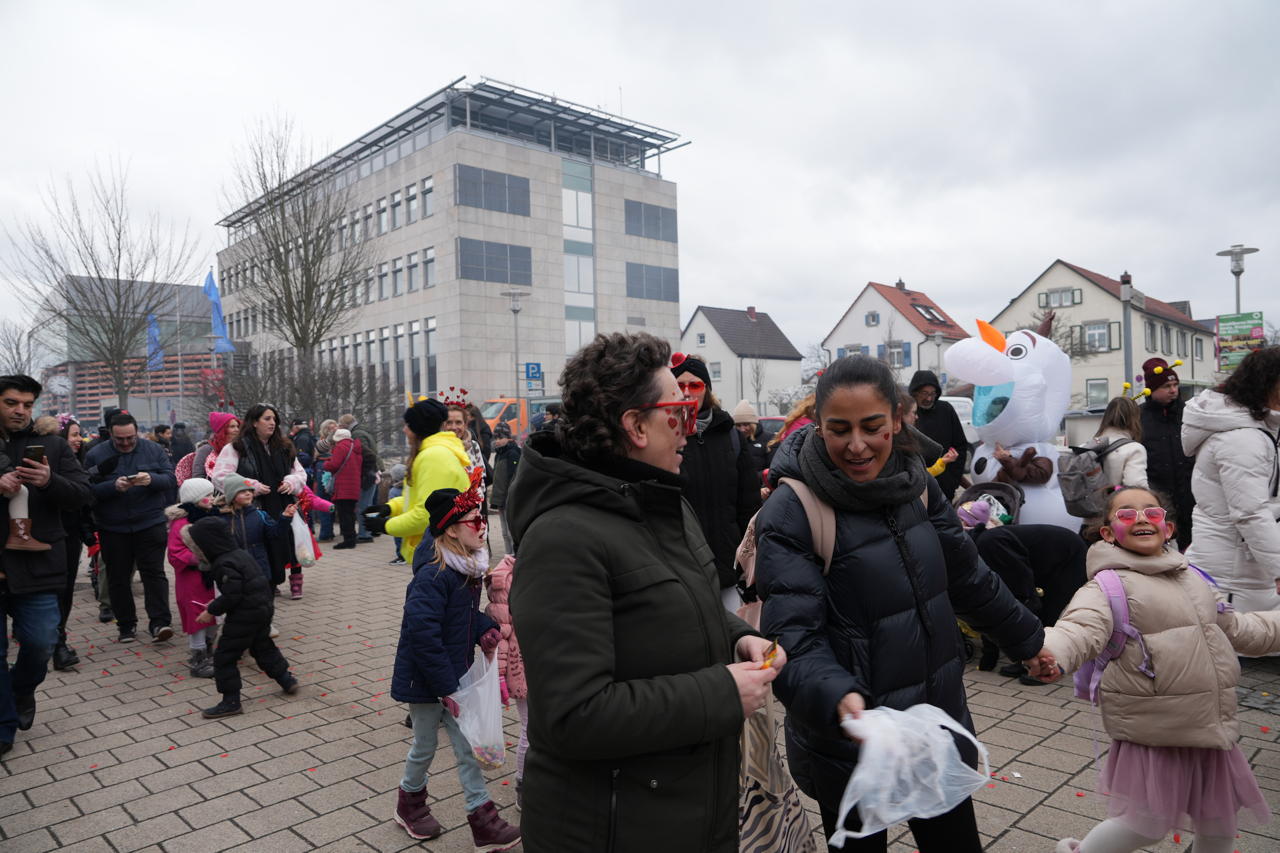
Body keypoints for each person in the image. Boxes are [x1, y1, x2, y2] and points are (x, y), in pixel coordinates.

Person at [754, 355, 1050, 851]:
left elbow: (967, 578)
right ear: (817, 426)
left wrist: (1028, 640)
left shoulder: (918, 486)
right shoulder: (792, 510)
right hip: (853, 739)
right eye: (838, 429)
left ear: (897, 418)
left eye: (872, 426)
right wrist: (837, 698)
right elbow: (791, 634)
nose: (857, 445)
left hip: (934, 724)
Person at [507, 331, 779, 853]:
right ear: (634, 425)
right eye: (678, 412)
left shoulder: (662, 503)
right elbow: (573, 714)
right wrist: (722, 693)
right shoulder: (563, 538)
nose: (690, 427)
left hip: (682, 811)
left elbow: (679, 605)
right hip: (609, 828)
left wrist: (737, 636)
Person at [1038, 487, 1280, 853]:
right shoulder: (1107, 587)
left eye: (1151, 513)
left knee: (1218, 827)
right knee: (1143, 826)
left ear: (1167, 528)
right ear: (1107, 533)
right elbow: (1079, 629)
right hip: (1155, 734)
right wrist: (1048, 652)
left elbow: (1238, 630)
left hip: (1209, 731)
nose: (1140, 519)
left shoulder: (1195, 579)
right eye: (1125, 514)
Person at [389, 482, 520, 849]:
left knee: (466, 747)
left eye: (482, 518)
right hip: (427, 681)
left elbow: (460, 617)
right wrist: (446, 687)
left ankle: (483, 820)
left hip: (453, 675)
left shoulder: (467, 569)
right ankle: (409, 803)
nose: (482, 525)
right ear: (450, 528)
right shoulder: (434, 575)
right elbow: (424, 635)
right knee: (424, 746)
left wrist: (485, 629)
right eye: (473, 519)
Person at [0, 375, 93, 759]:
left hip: (37, 563)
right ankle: (4, 726)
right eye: (10, 402)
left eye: (26, 404)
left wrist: (50, 480)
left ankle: (21, 690)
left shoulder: (53, 447)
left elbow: (83, 494)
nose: (20, 410)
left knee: (40, 643)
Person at [1181, 346, 1280, 614]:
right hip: (1235, 577)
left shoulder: (1258, 431)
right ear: (1269, 385)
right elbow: (1251, 512)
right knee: (1243, 651)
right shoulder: (1242, 439)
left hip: (1247, 573)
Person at [670, 353, 761, 610]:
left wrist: (750, 561)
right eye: (680, 385)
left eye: (695, 385)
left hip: (728, 570)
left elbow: (749, 506)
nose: (687, 392)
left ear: (707, 389)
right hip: (681, 571)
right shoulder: (663, 436)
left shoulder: (731, 437)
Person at [187, 517, 298, 719]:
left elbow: (233, 594)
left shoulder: (223, 563)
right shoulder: (239, 554)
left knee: (224, 656)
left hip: (245, 616)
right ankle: (286, 679)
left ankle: (231, 701)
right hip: (262, 608)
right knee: (262, 646)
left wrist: (211, 610)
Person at [84, 412, 177, 644]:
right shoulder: (96, 454)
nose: (125, 443)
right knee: (118, 577)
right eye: (120, 440)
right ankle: (126, 625)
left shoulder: (153, 450)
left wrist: (151, 480)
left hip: (150, 523)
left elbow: (170, 479)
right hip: (113, 527)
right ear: (111, 435)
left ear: (137, 432)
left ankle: (160, 622)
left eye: (130, 438)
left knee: (154, 574)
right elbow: (86, 490)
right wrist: (112, 487)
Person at [211, 404, 307, 598]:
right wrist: (250, 486)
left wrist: (291, 481)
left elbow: (300, 473)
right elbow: (220, 476)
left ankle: (282, 584)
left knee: (289, 545)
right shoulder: (236, 447)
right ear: (254, 422)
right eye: (267, 419)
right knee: (263, 551)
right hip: (254, 509)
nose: (272, 423)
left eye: (274, 419)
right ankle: (266, 588)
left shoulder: (284, 446)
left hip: (283, 506)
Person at [363, 399, 470, 564]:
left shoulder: (433, 457)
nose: (404, 430)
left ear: (419, 429)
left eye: (408, 425)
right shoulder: (431, 453)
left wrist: (386, 526)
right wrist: (390, 508)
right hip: (437, 550)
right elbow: (418, 496)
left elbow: (426, 515)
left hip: (439, 554)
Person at [484, 553, 527, 808]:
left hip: (547, 663)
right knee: (530, 730)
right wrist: (499, 675)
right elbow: (500, 634)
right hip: (520, 666)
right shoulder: (505, 581)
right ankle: (523, 785)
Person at [166, 478, 220, 678]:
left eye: (211, 495)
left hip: (212, 577)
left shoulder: (210, 516)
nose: (211, 499)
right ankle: (198, 659)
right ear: (194, 499)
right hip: (192, 580)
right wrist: (198, 560)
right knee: (197, 617)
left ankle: (210, 651)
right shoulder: (181, 524)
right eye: (206, 496)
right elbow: (175, 553)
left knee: (214, 614)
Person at [1139, 358, 1195, 551]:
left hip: (1191, 498)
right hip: (1158, 500)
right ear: (1151, 389)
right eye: (1166, 386)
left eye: (1175, 385)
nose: (1173, 390)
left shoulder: (1189, 413)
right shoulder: (1139, 417)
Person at [51, 414, 91, 671]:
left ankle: (59, 640)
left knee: (65, 589)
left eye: (79, 434)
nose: (79, 439)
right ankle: (53, 641)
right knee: (52, 590)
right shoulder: (48, 460)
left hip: (71, 534)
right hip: (48, 534)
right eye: (73, 434)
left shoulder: (81, 458)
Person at [907, 369, 968, 501]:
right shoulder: (908, 414)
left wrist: (953, 480)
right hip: (916, 489)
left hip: (945, 487)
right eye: (924, 393)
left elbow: (961, 445)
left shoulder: (946, 410)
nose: (929, 398)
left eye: (932, 394)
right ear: (914, 392)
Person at [1088, 396, 1148, 489]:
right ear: (1135, 419)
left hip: (1089, 503)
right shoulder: (1134, 449)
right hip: (1116, 502)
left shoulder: (1087, 446)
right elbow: (1136, 487)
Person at [338, 413, 380, 543]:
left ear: (345, 425)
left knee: (363, 506)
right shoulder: (365, 431)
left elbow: (364, 454)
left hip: (367, 474)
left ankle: (365, 534)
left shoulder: (357, 435)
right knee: (369, 504)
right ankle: (371, 530)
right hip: (373, 472)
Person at [323, 427, 363, 550]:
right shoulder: (356, 447)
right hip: (354, 485)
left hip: (343, 486)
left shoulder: (340, 447)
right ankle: (351, 538)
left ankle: (348, 540)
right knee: (350, 513)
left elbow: (334, 465)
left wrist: (325, 464)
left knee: (344, 513)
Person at [445, 403, 488, 503]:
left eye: (458, 422)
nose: (454, 427)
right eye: (449, 422)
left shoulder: (473, 446)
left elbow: (481, 478)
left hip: (473, 510)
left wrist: (475, 502)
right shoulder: (440, 449)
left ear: (465, 424)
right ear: (444, 425)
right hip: (448, 510)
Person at [488, 422, 520, 556]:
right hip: (501, 498)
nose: (497, 441)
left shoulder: (513, 453)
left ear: (508, 437)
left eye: (500, 438)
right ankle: (508, 555)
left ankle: (513, 556)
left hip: (509, 498)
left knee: (510, 531)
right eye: (495, 438)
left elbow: (514, 477)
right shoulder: (499, 454)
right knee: (503, 532)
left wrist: (509, 496)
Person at [313, 418, 338, 542]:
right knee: (330, 502)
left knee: (322, 501)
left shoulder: (323, 442)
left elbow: (318, 452)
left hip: (323, 469)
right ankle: (329, 531)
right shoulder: (338, 442)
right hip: (332, 469)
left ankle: (325, 533)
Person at [194, 412, 239, 481]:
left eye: (237, 426)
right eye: (232, 427)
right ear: (222, 430)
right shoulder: (206, 450)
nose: (237, 430)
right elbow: (198, 478)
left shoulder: (239, 448)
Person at [732, 399, 770, 473]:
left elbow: (772, 469)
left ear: (754, 424)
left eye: (746, 424)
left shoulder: (769, 440)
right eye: (738, 425)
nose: (742, 429)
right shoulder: (732, 441)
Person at [385, 462, 407, 564]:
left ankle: (401, 556)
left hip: (398, 519)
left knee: (398, 538)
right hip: (408, 517)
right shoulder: (410, 488)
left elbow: (391, 506)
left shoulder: (393, 491)